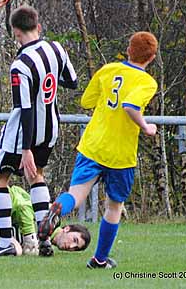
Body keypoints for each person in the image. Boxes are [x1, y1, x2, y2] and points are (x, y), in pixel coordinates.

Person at [38, 32, 158, 269]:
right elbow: (130, 106)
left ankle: (57, 209)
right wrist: (145, 126)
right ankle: (99, 259)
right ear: (151, 57)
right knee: (114, 207)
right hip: (120, 154)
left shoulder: (108, 69)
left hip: (93, 145)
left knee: (76, 194)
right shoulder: (146, 82)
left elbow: (86, 101)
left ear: (128, 49)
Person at [0, 5, 78, 257]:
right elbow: (72, 81)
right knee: (36, 175)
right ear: (38, 26)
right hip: (50, 128)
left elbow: (25, 108)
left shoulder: (20, 65)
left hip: (23, 132)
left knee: (0, 177)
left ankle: (5, 243)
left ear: (15, 32)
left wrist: (25, 148)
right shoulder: (56, 48)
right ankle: (46, 240)